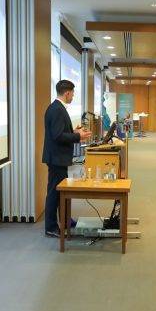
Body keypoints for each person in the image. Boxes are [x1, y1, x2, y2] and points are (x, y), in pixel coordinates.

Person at [42, 80, 92, 238]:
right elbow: (57, 136)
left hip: (59, 157)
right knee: (54, 193)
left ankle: (65, 220)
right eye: (73, 94)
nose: (73, 97)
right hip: (57, 157)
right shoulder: (57, 109)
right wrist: (78, 136)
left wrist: (74, 131)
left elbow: (60, 131)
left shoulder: (57, 108)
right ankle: (50, 227)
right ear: (67, 93)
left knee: (61, 192)